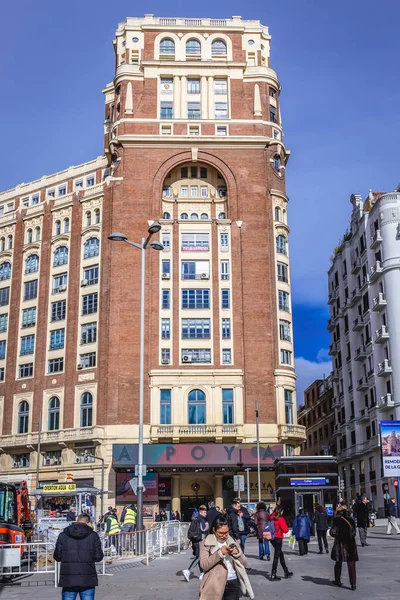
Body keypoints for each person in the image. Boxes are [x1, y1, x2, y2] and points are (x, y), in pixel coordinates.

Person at [199, 515, 254, 600]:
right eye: (221, 533)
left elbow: (245, 563)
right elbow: (204, 565)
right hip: (214, 583)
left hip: (232, 581)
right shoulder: (206, 543)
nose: (224, 536)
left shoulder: (232, 541)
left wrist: (237, 553)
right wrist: (220, 554)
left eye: (226, 532)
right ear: (214, 530)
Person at [54, 513, 104, 600]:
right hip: (87, 578)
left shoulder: (63, 535)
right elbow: (98, 557)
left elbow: (57, 556)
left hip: (68, 578)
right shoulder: (93, 536)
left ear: (77, 521)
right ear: (88, 523)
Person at [330, 506, 358, 590]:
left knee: (338, 562)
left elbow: (332, 532)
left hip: (340, 544)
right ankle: (353, 584)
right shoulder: (351, 520)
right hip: (350, 544)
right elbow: (354, 532)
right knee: (351, 564)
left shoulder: (336, 520)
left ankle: (337, 580)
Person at [183, 505, 209, 582]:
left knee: (199, 557)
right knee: (199, 557)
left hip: (195, 540)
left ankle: (201, 573)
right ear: (200, 512)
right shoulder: (201, 520)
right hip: (199, 540)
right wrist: (207, 526)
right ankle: (188, 570)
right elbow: (203, 529)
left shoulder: (196, 519)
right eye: (204, 512)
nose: (205, 514)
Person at [269, 506, 293, 581]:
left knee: (280, 554)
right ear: (281, 511)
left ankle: (286, 571)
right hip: (278, 538)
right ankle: (273, 574)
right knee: (276, 556)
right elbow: (285, 530)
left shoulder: (271, 517)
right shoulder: (280, 519)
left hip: (272, 538)